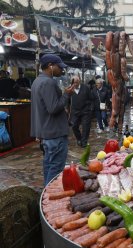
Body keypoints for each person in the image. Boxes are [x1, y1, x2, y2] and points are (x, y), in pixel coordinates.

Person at [30, 54, 75, 185]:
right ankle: (50, 196)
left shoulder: (37, 81)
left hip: (46, 133)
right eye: (59, 67)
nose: (62, 70)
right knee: (55, 168)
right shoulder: (48, 82)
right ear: (50, 66)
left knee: (49, 166)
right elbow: (53, 108)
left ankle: (46, 192)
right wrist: (66, 95)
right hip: (55, 133)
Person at [69, 75, 94, 147]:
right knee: (74, 126)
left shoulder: (86, 88)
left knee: (86, 127)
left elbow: (91, 98)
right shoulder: (70, 89)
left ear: (79, 81)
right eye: (74, 83)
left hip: (85, 111)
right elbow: (67, 100)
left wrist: (91, 109)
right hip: (75, 112)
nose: (75, 84)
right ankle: (79, 139)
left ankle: (84, 142)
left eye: (76, 82)